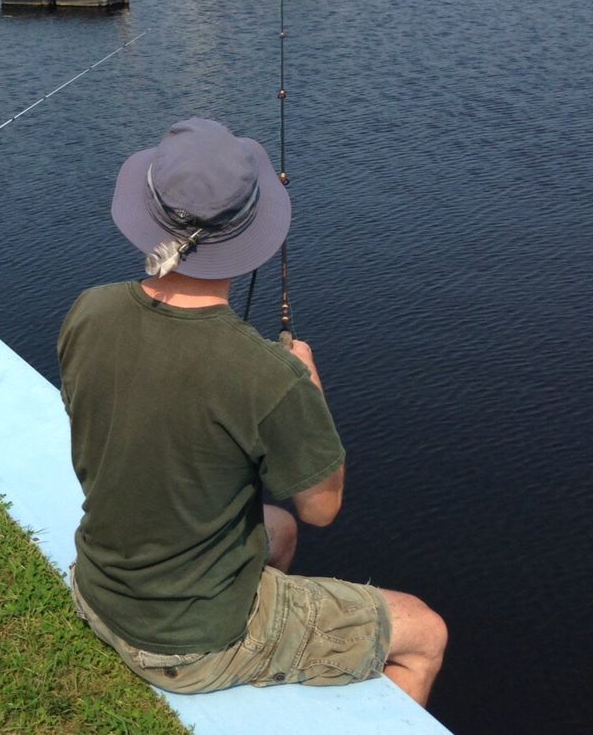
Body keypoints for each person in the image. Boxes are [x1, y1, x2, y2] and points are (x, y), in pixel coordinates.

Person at [57, 118, 446, 705]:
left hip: (98, 591)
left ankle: (265, 648)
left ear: (149, 213)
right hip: (183, 645)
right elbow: (322, 508)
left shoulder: (89, 309)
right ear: (250, 233)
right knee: (423, 632)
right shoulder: (271, 375)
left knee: (278, 529)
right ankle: (239, 646)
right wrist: (308, 387)